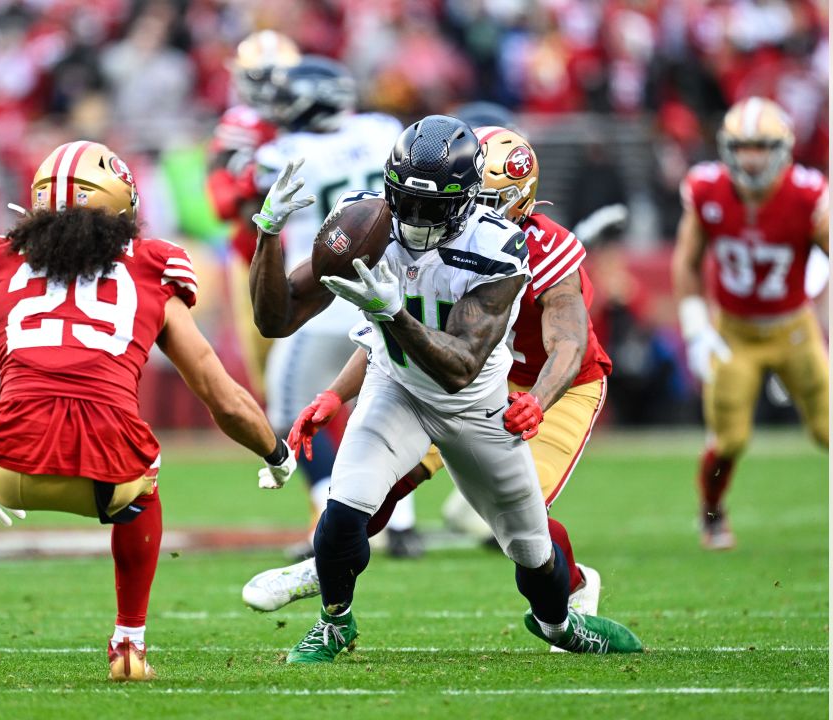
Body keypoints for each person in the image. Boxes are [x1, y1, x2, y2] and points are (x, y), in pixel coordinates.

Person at [245, 115, 641, 661]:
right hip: (399, 388)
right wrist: (266, 233)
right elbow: (276, 318)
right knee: (344, 511)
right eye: (403, 198)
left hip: (481, 400)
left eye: (432, 204)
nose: (412, 217)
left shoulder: (501, 244)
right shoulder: (371, 221)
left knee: (530, 546)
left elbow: (463, 365)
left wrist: (392, 314)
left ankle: (561, 621)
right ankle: (335, 619)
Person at [0, 140, 296, 684]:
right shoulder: (156, 266)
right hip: (110, 471)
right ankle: (129, 644)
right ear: (119, 204)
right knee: (144, 491)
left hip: (11, 462)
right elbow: (216, 389)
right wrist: (275, 452)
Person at [249, 56, 426, 559]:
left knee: (289, 411)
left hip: (323, 293)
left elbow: (236, 199)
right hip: (390, 288)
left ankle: (332, 513)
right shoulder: (382, 130)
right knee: (390, 405)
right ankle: (404, 522)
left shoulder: (282, 151)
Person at [672, 96, 829, 550]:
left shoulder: (807, 195)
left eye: (760, 146)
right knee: (729, 439)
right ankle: (712, 514)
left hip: (793, 328)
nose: (751, 157)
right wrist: (695, 328)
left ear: (782, 148)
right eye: (741, 147)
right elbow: (687, 264)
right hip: (734, 330)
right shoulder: (707, 190)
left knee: (829, 430)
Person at [206, 30, 300, 398]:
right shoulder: (239, 125)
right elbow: (222, 203)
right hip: (253, 254)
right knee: (269, 371)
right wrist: (250, 184)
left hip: (308, 251)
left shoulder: (307, 119)